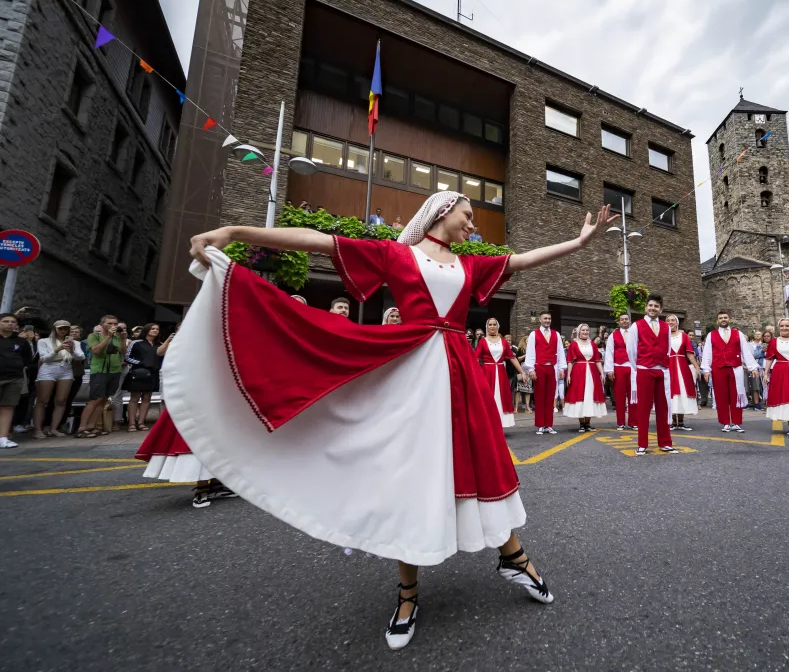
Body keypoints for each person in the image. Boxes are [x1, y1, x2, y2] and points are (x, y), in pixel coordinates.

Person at [180, 191, 613, 649]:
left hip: (459, 377)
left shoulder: (470, 265)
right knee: (409, 477)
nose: (472, 226)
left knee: (478, 465)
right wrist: (233, 232)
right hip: (411, 374)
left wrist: (579, 243)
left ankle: (513, 557)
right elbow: (317, 240)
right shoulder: (394, 254)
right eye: (468, 216)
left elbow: (522, 261)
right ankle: (408, 594)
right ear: (443, 211)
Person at [626, 295, 676, 455]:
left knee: (663, 407)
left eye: (656, 306)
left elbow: (667, 348)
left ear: (660, 309)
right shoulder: (636, 326)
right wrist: (639, 366)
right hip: (644, 369)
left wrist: (663, 362)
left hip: (662, 369)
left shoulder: (666, 327)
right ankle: (642, 444)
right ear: (645, 308)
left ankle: (665, 442)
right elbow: (631, 350)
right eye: (650, 306)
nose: (653, 308)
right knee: (644, 408)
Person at [700, 310, 759, 434]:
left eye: (725, 317)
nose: (723, 319)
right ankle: (726, 422)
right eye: (720, 318)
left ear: (729, 319)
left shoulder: (738, 334)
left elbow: (745, 351)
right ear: (717, 321)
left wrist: (753, 367)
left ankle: (736, 422)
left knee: (736, 395)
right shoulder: (712, 335)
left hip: (735, 368)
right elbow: (707, 353)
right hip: (718, 368)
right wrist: (706, 369)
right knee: (721, 396)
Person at [33, 320, 84, 438]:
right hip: (48, 368)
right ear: (55, 329)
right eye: (60, 328)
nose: (63, 331)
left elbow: (81, 356)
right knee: (42, 400)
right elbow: (44, 358)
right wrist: (58, 348)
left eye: (66, 328)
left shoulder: (74, 343)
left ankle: (54, 428)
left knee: (61, 400)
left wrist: (71, 350)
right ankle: (38, 430)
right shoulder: (43, 341)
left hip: (66, 368)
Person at [77, 315, 126, 438]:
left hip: (115, 370)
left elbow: (123, 351)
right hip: (99, 370)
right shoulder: (94, 336)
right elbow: (96, 351)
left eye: (115, 324)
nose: (113, 326)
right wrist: (108, 337)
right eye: (110, 323)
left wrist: (122, 339)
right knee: (95, 399)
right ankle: (82, 428)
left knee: (104, 399)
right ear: (102, 324)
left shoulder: (116, 337)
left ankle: (92, 426)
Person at [474, 318, 527, 428]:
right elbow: (475, 359)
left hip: (501, 373)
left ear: (497, 326)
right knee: (488, 397)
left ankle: (500, 424)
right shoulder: (483, 341)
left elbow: (512, 358)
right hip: (486, 373)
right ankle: (487, 425)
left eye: (494, 324)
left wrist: (522, 372)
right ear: (487, 327)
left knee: (501, 397)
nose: (492, 326)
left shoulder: (503, 342)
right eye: (490, 325)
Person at [524, 311, 566, 435]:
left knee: (550, 397)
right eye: (545, 318)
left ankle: (549, 425)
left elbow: (560, 352)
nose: (547, 320)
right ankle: (540, 425)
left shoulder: (556, 334)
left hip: (552, 368)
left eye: (549, 318)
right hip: (539, 367)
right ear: (540, 320)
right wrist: (530, 369)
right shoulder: (534, 334)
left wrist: (561, 368)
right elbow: (531, 351)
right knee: (540, 397)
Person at [123, 324, 171, 432]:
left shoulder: (159, 344)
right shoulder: (136, 342)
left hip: (153, 372)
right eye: (152, 329)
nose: (155, 330)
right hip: (138, 372)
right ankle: (131, 423)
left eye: (157, 329)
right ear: (147, 330)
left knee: (147, 398)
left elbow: (162, 355)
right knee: (134, 397)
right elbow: (127, 357)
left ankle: (141, 422)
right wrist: (140, 363)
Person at [562, 323, 606, 432]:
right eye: (583, 330)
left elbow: (597, 361)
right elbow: (570, 362)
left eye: (587, 330)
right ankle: (581, 423)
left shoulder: (593, 344)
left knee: (590, 396)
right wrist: (568, 375)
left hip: (592, 373)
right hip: (578, 372)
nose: (585, 332)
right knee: (579, 395)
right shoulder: (574, 344)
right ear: (579, 332)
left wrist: (602, 373)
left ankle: (588, 423)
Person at [0, 313, 33, 448]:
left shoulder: (20, 341)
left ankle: (3, 437)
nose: (10, 324)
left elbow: (27, 359)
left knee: (8, 407)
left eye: (13, 322)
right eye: (6, 321)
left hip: (14, 377)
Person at [666, 316, 700, 431]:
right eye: (668, 320)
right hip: (668, 367)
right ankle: (671, 421)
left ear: (677, 322)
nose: (670, 322)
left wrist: (697, 367)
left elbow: (690, 354)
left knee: (682, 392)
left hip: (682, 366)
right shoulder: (663, 336)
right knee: (670, 392)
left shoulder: (684, 336)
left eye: (673, 320)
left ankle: (680, 422)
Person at [604, 313, 636, 431]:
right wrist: (609, 369)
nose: (624, 321)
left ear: (629, 321)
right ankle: (620, 422)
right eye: (622, 320)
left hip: (633, 368)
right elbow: (609, 352)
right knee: (619, 396)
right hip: (619, 367)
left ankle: (633, 422)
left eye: (626, 319)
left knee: (633, 395)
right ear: (619, 322)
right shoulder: (613, 335)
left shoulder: (635, 333)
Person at [513, 335, 533, 413]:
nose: (529, 342)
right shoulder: (521, 349)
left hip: (529, 370)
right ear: (524, 341)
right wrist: (526, 355)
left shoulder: (532, 349)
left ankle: (527, 407)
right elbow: (517, 359)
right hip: (521, 369)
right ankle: (516, 407)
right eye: (527, 341)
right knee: (518, 390)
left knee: (528, 390)